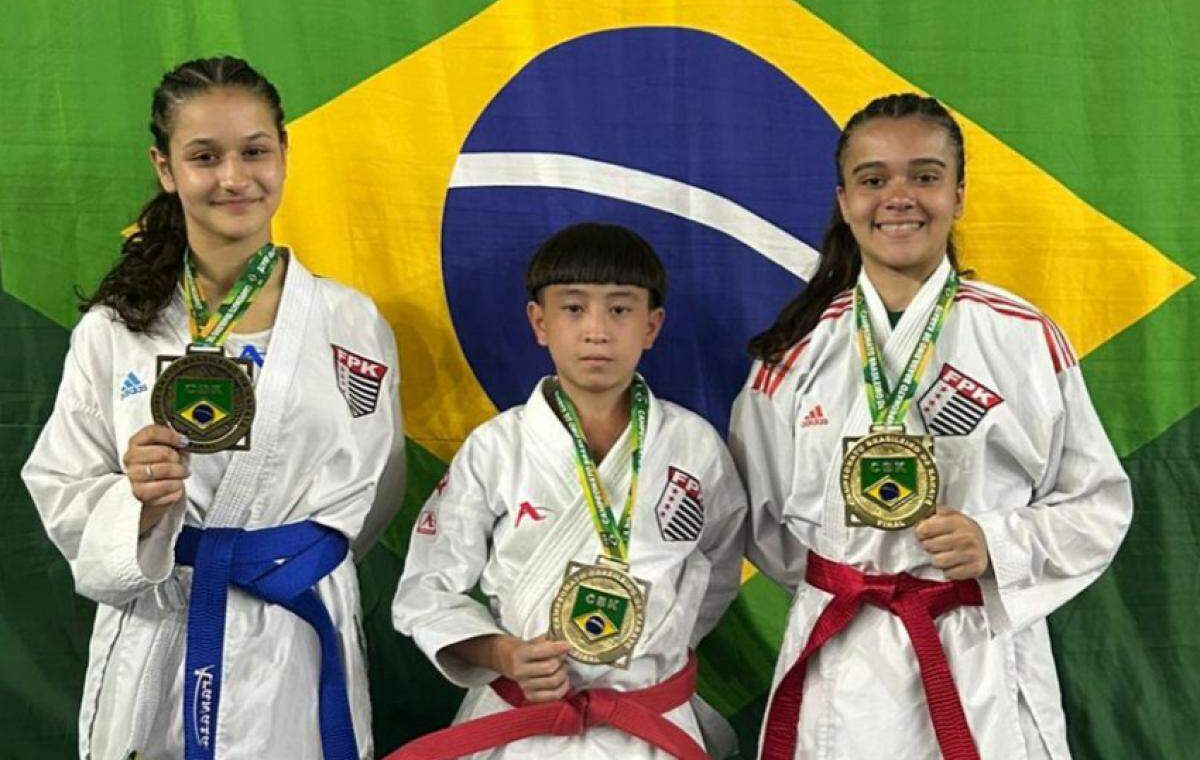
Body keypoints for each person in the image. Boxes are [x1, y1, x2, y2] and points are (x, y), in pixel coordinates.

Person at [22, 56, 404, 760]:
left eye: (255, 151)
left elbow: (376, 487)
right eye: (204, 157)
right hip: (161, 626)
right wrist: (134, 502)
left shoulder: (349, 322)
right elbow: (61, 485)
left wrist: (288, 559)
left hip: (292, 630)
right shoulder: (117, 329)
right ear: (165, 168)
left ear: (284, 154)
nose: (234, 178)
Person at [729, 93, 1132, 760]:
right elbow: (764, 524)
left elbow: (1098, 503)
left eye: (924, 175)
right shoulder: (793, 353)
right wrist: (854, 568)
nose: (899, 197)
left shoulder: (1022, 338)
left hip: (979, 653)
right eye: (873, 179)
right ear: (844, 198)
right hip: (844, 659)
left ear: (959, 193)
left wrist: (996, 544)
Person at [390, 223, 746, 760]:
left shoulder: (693, 447)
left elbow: (716, 569)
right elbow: (426, 586)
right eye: (574, 309)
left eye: (620, 310)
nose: (596, 331)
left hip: (647, 720)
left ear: (652, 326)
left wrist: (655, 643)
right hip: (519, 717)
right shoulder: (497, 447)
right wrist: (503, 653)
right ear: (540, 322)